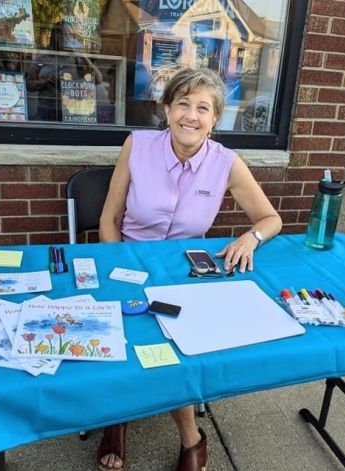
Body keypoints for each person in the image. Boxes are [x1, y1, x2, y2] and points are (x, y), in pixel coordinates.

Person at [97, 68, 282, 471]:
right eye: (182, 103)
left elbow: (271, 219)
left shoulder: (226, 162)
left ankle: (191, 438)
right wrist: (117, 271)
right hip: (127, 263)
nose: (191, 116)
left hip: (182, 275)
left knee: (180, 348)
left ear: (215, 118)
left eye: (203, 107)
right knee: (122, 336)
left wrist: (250, 238)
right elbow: (109, 220)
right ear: (167, 109)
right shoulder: (137, 145)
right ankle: (116, 422)